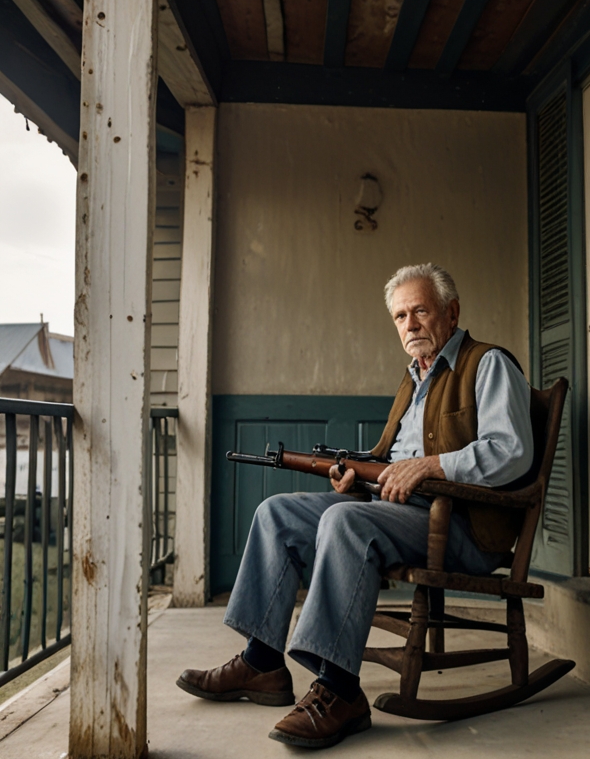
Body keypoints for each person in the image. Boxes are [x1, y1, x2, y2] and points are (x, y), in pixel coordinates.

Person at [176, 263, 534, 749]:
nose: (409, 324)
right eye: (400, 316)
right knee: (276, 513)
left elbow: (511, 451)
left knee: (344, 522)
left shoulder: (487, 363)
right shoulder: (414, 379)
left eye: (420, 311)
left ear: (451, 313)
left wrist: (430, 466)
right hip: (404, 512)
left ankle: (340, 689)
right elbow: (391, 460)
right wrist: (356, 476)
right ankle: (261, 663)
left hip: (464, 527)